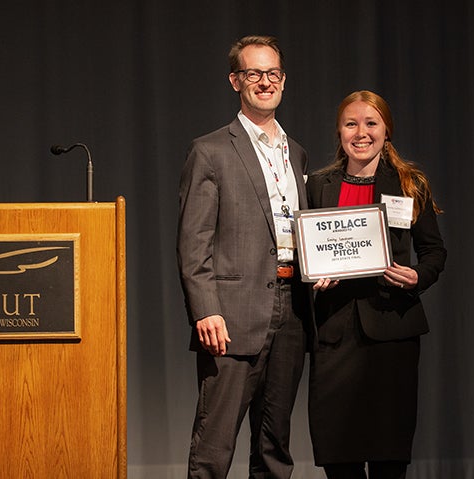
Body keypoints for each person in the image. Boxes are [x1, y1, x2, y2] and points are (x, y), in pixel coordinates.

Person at [177, 35, 313, 479]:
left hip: (292, 309)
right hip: (232, 316)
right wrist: (206, 310)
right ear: (236, 80)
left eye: (272, 73)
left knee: (275, 447)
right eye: (254, 73)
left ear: (284, 81)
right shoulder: (211, 149)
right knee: (214, 446)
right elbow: (194, 240)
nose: (265, 82)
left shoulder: (296, 153)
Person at [306, 90, 447, 479]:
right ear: (339, 131)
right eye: (351, 123)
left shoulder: (408, 183)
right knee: (339, 453)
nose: (361, 132)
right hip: (334, 333)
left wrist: (418, 275)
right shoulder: (317, 185)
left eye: (371, 123)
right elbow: (303, 250)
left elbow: (435, 253)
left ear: (387, 130)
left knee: (388, 455)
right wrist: (312, 273)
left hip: (392, 331)